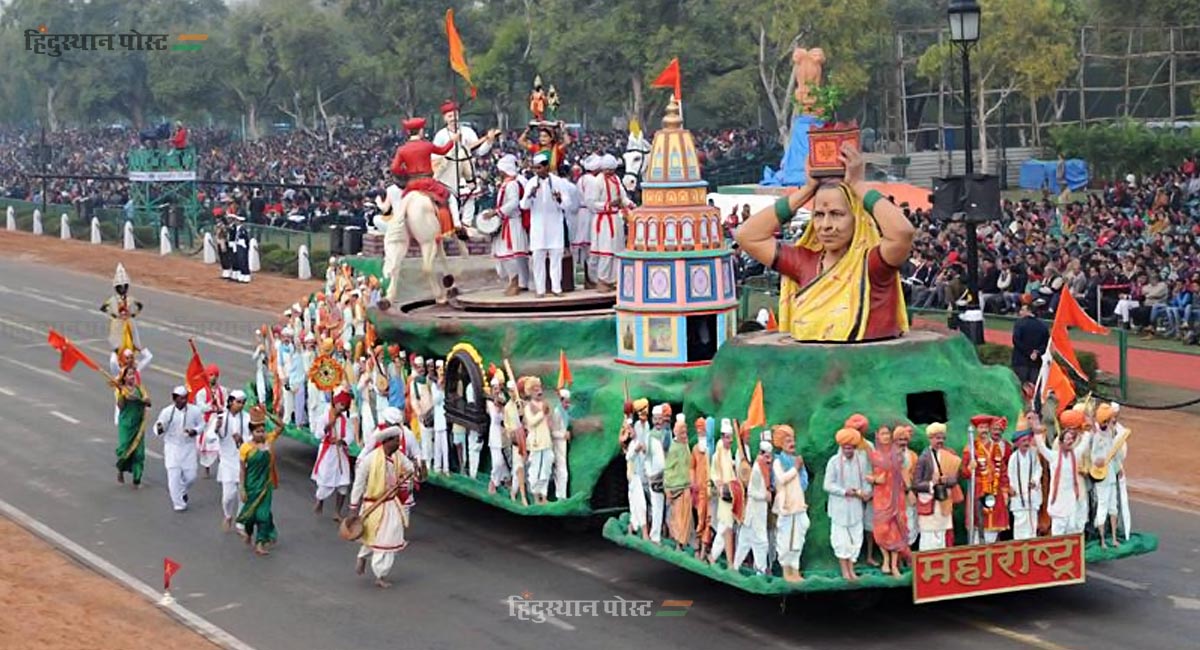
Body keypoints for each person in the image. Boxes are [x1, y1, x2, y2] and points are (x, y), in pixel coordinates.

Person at [735, 143, 914, 342]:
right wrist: (806, 190)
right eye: (819, 215)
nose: (826, 225)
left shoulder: (872, 265)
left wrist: (858, 186)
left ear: (856, 217)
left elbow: (902, 233)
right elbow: (747, 235)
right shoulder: (804, 262)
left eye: (837, 214)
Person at [350, 426, 415, 589]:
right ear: (388, 442)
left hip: (391, 504)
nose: (399, 444)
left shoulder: (398, 457)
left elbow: (411, 469)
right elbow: (358, 484)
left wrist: (416, 469)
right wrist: (353, 508)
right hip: (373, 505)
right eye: (396, 441)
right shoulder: (370, 460)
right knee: (375, 535)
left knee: (387, 536)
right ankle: (378, 572)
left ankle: (374, 567)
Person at [431, 100, 499, 231]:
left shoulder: (468, 132)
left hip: (466, 172)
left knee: (469, 199)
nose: (453, 119)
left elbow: (479, 151)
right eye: (450, 116)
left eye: (455, 115)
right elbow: (435, 157)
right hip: (447, 174)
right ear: (445, 118)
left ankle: (466, 226)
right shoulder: (441, 135)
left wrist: (489, 141)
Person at [390, 117, 462, 240]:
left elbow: (394, 168)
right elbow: (443, 150)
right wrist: (453, 140)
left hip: (412, 184)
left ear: (408, 132)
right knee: (450, 197)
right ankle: (456, 224)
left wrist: (407, 172)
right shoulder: (427, 145)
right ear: (421, 131)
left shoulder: (402, 149)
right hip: (428, 182)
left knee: (401, 203)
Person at [520, 150, 575, 298]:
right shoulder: (531, 183)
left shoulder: (558, 182)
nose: (537, 171)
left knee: (556, 258)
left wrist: (559, 200)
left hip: (555, 226)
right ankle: (540, 290)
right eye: (535, 168)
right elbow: (524, 206)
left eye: (539, 168)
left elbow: (568, 205)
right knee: (538, 258)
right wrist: (530, 195)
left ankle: (557, 289)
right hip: (537, 227)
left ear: (546, 167)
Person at [825, 428, 872, 581]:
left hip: (856, 508)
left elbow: (866, 480)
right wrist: (844, 491)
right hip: (840, 509)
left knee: (856, 540)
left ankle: (852, 570)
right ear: (841, 447)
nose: (848, 450)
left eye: (851, 447)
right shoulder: (833, 462)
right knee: (841, 541)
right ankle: (845, 571)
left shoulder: (862, 459)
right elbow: (827, 485)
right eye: (845, 447)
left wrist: (866, 492)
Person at [1034, 409, 1091, 535]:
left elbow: (1085, 442)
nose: (1070, 441)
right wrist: (1037, 433)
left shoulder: (1075, 454)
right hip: (1058, 500)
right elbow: (1042, 448)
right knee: (1058, 531)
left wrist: (1088, 427)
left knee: (1072, 528)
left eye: (1071, 439)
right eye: (1067, 439)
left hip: (1071, 498)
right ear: (1061, 442)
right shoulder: (1053, 456)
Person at [587, 154, 634, 292]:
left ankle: (614, 280)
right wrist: (608, 205)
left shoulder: (616, 179)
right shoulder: (597, 182)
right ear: (602, 169)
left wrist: (632, 205)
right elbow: (592, 203)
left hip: (615, 219)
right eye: (607, 170)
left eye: (612, 170)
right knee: (605, 252)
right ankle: (601, 280)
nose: (610, 172)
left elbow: (623, 197)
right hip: (603, 221)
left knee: (616, 251)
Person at [154, 386, 204, 512]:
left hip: (188, 447)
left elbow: (202, 425)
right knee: (173, 476)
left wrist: (195, 431)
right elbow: (158, 426)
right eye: (181, 398)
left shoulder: (195, 410)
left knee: (191, 476)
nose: (184, 401)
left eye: (186, 398)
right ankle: (179, 503)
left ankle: (182, 490)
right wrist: (159, 428)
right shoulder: (167, 412)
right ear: (174, 399)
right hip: (172, 447)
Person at [868, 425, 909, 578]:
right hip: (881, 495)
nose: (886, 436)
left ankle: (894, 565)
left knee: (896, 528)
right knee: (881, 529)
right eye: (883, 433)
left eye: (888, 434)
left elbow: (904, 472)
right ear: (877, 435)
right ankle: (885, 559)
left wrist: (909, 490)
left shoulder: (897, 454)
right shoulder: (873, 455)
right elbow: (866, 475)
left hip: (896, 495)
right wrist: (875, 479)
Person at [237, 405, 278, 556]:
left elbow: (282, 426)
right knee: (250, 514)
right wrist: (242, 487)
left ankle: (260, 543)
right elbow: (243, 469)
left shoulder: (268, 441)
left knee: (263, 514)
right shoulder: (245, 448)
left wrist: (267, 414)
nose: (261, 434)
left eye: (263, 431)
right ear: (252, 432)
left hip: (265, 484)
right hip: (251, 484)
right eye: (258, 431)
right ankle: (248, 532)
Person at [914, 423, 961, 551]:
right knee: (929, 536)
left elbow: (954, 479)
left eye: (942, 438)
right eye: (937, 438)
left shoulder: (948, 455)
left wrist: (946, 481)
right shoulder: (924, 458)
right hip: (929, 503)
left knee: (942, 535)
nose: (940, 441)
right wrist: (931, 484)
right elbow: (916, 484)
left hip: (944, 501)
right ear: (930, 438)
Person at [772, 425, 809, 582]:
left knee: (798, 537)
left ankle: (795, 570)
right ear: (781, 443)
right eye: (788, 440)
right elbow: (781, 479)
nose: (792, 443)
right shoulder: (777, 462)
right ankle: (786, 570)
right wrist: (795, 468)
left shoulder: (797, 460)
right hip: (786, 505)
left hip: (798, 504)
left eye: (793, 440)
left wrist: (798, 468)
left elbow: (803, 482)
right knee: (785, 538)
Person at [492, 154, 531, 296]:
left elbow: (514, 203)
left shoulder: (512, 184)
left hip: (512, 223)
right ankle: (518, 282)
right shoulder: (508, 183)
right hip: (509, 222)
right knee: (513, 255)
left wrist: (497, 213)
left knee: (509, 255)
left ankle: (515, 283)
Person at [311, 390, 354, 521]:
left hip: (340, 452)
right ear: (335, 403)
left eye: (344, 406)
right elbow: (318, 435)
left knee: (343, 483)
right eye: (341, 404)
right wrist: (328, 426)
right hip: (328, 452)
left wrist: (342, 441)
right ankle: (320, 500)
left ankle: (337, 512)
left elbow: (350, 435)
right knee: (325, 480)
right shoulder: (324, 417)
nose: (342, 408)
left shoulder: (345, 420)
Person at [1089, 403, 1128, 547]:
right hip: (1101, 476)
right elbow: (1093, 456)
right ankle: (1102, 540)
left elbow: (1116, 454)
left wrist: (1119, 469)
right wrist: (1097, 461)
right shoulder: (1097, 435)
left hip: (1111, 473)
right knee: (1103, 506)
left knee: (1113, 506)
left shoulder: (1111, 433)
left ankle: (1113, 538)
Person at [734, 440, 773, 575]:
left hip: (758, 513)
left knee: (745, 541)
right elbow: (751, 491)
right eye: (767, 457)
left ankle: (737, 567)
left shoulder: (764, 469)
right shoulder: (757, 469)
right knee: (761, 543)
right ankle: (760, 570)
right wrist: (764, 496)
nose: (769, 460)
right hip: (755, 512)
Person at [215, 390, 249, 532]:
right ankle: (228, 515)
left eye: (243, 403)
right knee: (228, 497)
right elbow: (210, 436)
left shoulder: (247, 418)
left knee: (243, 494)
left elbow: (252, 439)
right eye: (238, 402)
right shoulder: (221, 417)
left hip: (242, 461)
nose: (241, 405)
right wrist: (217, 428)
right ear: (230, 402)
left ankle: (240, 523)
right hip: (227, 461)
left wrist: (241, 440)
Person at [114, 365, 151, 488]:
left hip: (138, 425)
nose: (132, 376)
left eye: (133, 374)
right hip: (126, 424)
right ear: (124, 377)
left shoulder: (140, 389)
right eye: (129, 374)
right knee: (124, 449)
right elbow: (120, 406)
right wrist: (122, 394)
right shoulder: (121, 390)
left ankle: (137, 480)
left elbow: (148, 401)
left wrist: (143, 400)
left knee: (139, 453)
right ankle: (120, 469)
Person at [1007, 415, 1043, 541]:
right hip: (1018, 496)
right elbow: (1010, 476)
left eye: (1027, 440)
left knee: (1033, 523)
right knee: (1020, 523)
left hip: (1032, 494)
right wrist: (1011, 488)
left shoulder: (1033, 453)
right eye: (1023, 441)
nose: (1026, 443)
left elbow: (1039, 469)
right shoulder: (1013, 458)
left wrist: (1035, 480)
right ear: (1017, 443)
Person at [708, 419, 739, 568]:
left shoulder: (727, 453)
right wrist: (719, 483)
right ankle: (725, 560)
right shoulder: (717, 455)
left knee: (724, 527)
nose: (730, 440)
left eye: (730, 437)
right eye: (727, 437)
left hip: (731, 494)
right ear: (722, 437)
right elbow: (714, 473)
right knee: (725, 527)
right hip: (724, 495)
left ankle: (714, 556)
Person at [663, 416, 693, 550]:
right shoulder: (674, 448)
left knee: (686, 517)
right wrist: (667, 488)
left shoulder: (685, 445)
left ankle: (684, 542)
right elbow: (669, 469)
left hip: (686, 485)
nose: (684, 435)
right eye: (682, 433)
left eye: (685, 432)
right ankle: (678, 544)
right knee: (677, 517)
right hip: (676, 487)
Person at [523, 377, 554, 505]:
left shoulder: (544, 404)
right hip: (536, 442)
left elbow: (549, 423)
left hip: (546, 440)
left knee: (546, 468)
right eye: (535, 389)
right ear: (530, 392)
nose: (538, 391)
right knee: (535, 469)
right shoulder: (528, 407)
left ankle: (544, 495)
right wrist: (542, 413)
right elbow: (531, 421)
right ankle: (536, 496)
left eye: (539, 388)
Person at [101, 263, 144, 351]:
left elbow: (140, 305)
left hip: (128, 322)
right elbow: (103, 308)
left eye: (124, 287)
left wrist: (133, 314)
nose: (123, 289)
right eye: (120, 288)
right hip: (118, 322)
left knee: (133, 337)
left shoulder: (130, 299)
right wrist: (113, 315)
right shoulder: (112, 299)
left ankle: (137, 347)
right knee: (116, 341)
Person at [194, 364, 226, 478]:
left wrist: (220, 408)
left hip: (219, 420)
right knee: (207, 446)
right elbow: (200, 407)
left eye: (215, 375)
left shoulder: (222, 391)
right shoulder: (202, 393)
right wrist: (210, 406)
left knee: (221, 445)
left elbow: (226, 404)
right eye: (211, 375)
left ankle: (223, 467)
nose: (213, 377)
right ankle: (206, 468)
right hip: (207, 422)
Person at [621, 419, 648, 538]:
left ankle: (632, 527)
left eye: (631, 428)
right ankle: (645, 533)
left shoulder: (638, 442)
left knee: (635, 503)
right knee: (640, 503)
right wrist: (636, 450)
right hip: (634, 477)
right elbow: (628, 456)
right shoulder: (632, 445)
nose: (630, 431)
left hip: (638, 476)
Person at [1011, 303, 1050, 384]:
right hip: (1036, 363)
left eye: (1022, 310)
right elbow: (1046, 343)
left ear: (1029, 311)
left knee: (1020, 388)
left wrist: (1029, 352)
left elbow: (1016, 341)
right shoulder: (1043, 325)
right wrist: (1036, 352)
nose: (1020, 312)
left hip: (1020, 361)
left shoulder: (1019, 323)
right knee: (1034, 389)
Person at [644, 408, 668, 543]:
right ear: (653, 420)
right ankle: (655, 536)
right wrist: (649, 473)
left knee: (665, 506)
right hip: (655, 476)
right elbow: (647, 457)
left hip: (667, 475)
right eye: (656, 419)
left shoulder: (666, 435)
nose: (658, 421)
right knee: (657, 506)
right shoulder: (649, 436)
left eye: (660, 419)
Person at [691, 418, 713, 560]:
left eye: (703, 430)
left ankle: (705, 549)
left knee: (709, 520)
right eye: (699, 431)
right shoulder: (695, 449)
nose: (701, 433)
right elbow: (691, 467)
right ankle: (698, 547)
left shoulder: (711, 450)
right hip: (699, 491)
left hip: (710, 490)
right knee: (700, 519)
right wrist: (693, 482)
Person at [505, 380, 529, 506]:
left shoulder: (522, 404)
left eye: (514, 391)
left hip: (526, 440)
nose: (513, 393)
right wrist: (513, 434)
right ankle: (522, 495)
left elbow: (527, 419)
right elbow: (507, 426)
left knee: (520, 468)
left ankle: (514, 492)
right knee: (518, 467)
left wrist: (523, 410)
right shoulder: (507, 408)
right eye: (511, 391)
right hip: (516, 442)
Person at [486, 373, 510, 494]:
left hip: (503, 435)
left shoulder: (502, 401)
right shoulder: (490, 403)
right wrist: (498, 406)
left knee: (503, 461)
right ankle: (493, 482)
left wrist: (502, 407)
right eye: (494, 389)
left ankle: (505, 479)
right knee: (498, 462)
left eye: (498, 389)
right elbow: (495, 418)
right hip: (494, 435)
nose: (497, 391)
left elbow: (504, 418)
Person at [551, 388, 572, 501]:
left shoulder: (565, 412)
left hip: (563, 444)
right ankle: (561, 496)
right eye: (566, 402)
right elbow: (553, 432)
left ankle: (562, 495)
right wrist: (563, 435)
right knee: (561, 471)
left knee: (562, 470)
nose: (568, 404)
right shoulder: (557, 412)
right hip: (558, 444)